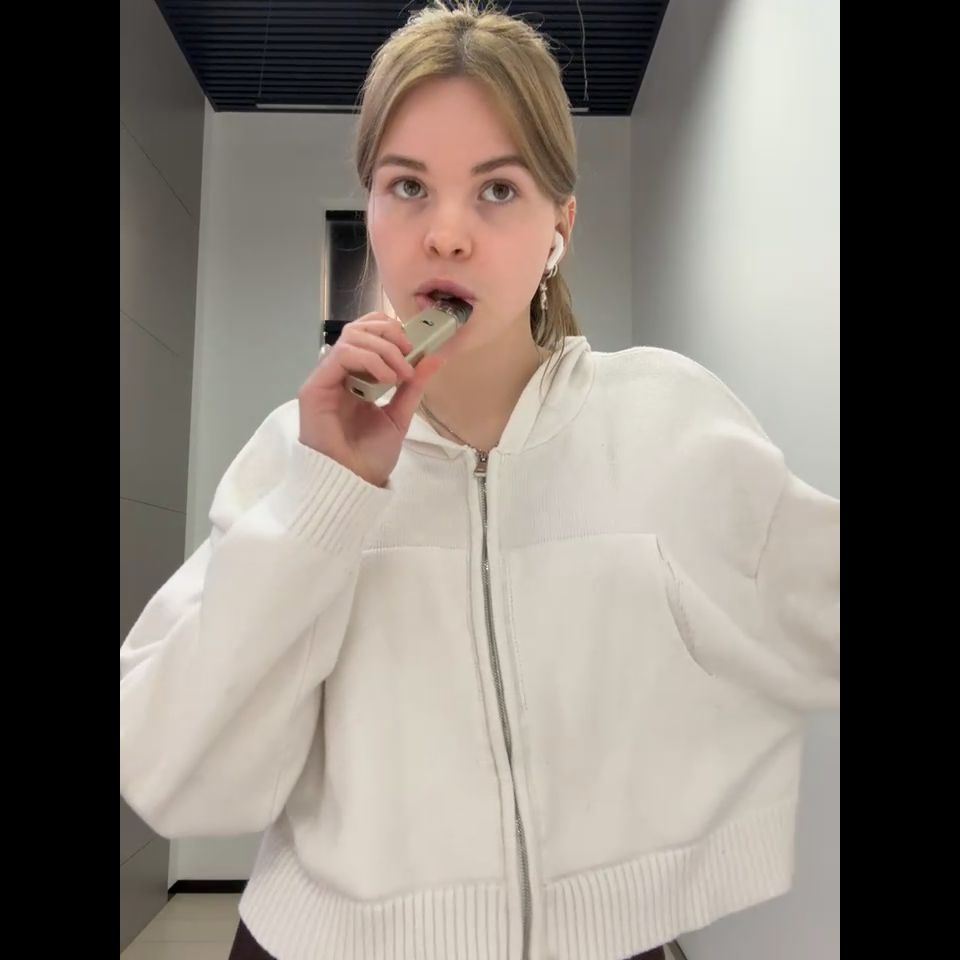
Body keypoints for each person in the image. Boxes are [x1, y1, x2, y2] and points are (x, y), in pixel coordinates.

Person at [119, 3, 840, 959]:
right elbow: (168, 770)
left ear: (560, 227)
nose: (447, 234)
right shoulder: (293, 454)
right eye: (407, 186)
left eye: (498, 189)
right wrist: (323, 501)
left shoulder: (667, 420)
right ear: (372, 212)